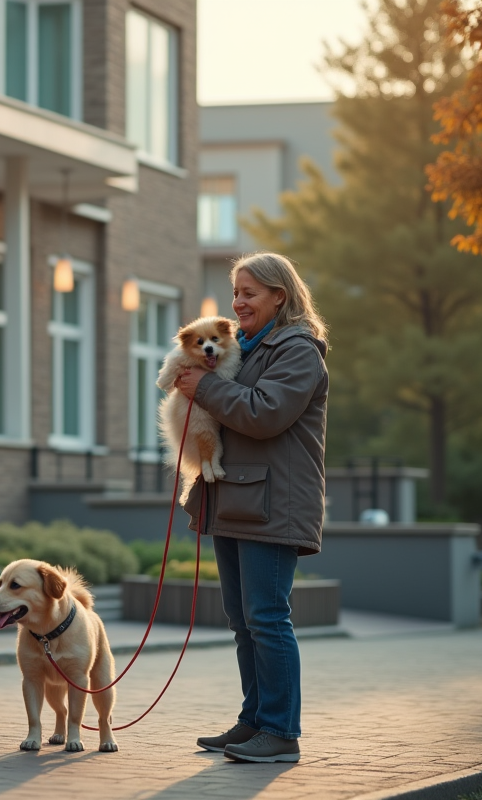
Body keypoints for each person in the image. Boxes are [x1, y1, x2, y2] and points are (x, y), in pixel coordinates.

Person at [173, 252, 328, 764]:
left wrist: (206, 387)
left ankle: (281, 733)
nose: (238, 303)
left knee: (267, 618)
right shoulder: (247, 347)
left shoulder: (298, 349)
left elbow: (265, 414)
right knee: (243, 621)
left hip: (272, 505)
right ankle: (254, 721)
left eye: (249, 293)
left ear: (279, 296)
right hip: (238, 498)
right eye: (235, 292)